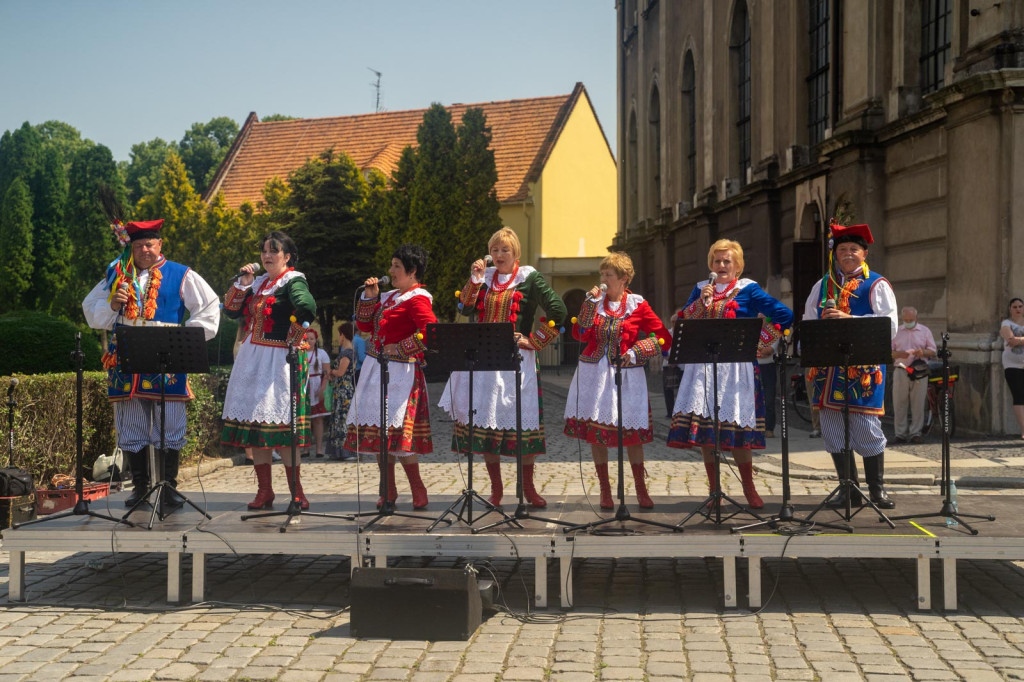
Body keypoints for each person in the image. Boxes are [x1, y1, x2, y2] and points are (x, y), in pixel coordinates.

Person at [83, 219, 220, 510]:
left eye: (149, 244)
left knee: (169, 420)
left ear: (160, 245)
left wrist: (184, 338)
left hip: (167, 357)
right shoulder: (117, 272)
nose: (144, 250)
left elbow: (208, 309)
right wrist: (113, 305)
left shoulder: (181, 274)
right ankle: (141, 487)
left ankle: (168, 486)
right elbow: (92, 313)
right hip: (127, 358)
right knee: (131, 423)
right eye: (138, 246)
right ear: (131, 248)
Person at [440, 226, 568, 508]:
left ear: (515, 253)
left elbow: (558, 309)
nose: (499, 255)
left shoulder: (529, 279)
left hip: (516, 363)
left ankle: (528, 488)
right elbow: (463, 309)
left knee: (522, 427)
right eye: (495, 250)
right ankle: (496, 491)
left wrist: (535, 340)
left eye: (505, 250)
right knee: (486, 429)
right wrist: (473, 281)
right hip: (485, 362)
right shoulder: (483, 280)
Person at [667, 239, 792, 509]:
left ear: (737, 266)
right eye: (717, 261)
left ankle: (749, 488)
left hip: (736, 370)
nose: (721, 265)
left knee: (738, 429)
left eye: (727, 261)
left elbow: (784, 314)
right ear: (710, 264)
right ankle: (714, 490)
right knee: (707, 432)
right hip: (704, 368)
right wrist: (702, 303)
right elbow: (681, 320)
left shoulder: (748, 290)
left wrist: (763, 342)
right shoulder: (701, 289)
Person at [803, 222, 899, 509]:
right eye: (842, 249)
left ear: (864, 253)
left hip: (863, 370)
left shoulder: (877, 284)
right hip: (828, 370)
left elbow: (889, 326)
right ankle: (849, 489)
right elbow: (808, 322)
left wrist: (849, 320)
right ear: (835, 254)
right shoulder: (822, 285)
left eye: (853, 249)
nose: (847, 254)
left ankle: (877, 489)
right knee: (832, 430)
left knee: (867, 427)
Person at [564, 252, 671, 509]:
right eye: (601, 274)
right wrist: (588, 305)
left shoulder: (637, 305)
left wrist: (638, 351)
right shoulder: (593, 303)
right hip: (593, 375)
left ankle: (641, 489)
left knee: (632, 435)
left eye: (608, 275)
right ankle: (605, 490)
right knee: (595, 434)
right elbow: (579, 334)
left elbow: (664, 337)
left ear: (623, 278)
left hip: (627, 374)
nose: (603, 279)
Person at [221, 231, 317, 510]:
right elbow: (230, 310)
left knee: (283, 429)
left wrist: (295, 335)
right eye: (264, 251)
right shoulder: (259, 282)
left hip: (278, 361)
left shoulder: (293, 280)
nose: (266, 256)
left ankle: (297, 493)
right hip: (252, 359)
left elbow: (307, 306)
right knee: (258, 429)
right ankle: (265, 491)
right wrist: (243, 284)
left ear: (287, 257)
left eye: (273, 251)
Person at [344, 245, 436, 509]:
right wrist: (371, 298)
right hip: (376, 370)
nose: (390, 271)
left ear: (412, 270)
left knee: (400, 437)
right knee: (379, 436)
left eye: (396, 266)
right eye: (392, 265)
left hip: (401, 374)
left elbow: (431, 331)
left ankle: (418, 489)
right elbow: (363, 327)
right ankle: (388, 490)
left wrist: (403, 346)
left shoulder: (418, 298)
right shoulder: (389, 297)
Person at [891, 306, 937, 444]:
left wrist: (922, 352)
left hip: (919, 371)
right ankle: (900, 433)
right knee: (899, 403)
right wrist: (900, 354)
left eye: (911, 320)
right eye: (906, 320)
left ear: (916, 318)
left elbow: (933, 351)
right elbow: (889, 352)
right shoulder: (896, 331)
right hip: (901, 368)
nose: (908, 322)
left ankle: (915, 433)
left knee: (918, 403)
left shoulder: (925, 331)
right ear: (902, 318)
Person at [327, 321, 358, 461]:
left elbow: (341, 372)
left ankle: (346, 451)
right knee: (340, 419)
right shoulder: (349, 351)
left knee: (343, 420)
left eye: (339, 334)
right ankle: (339, 451)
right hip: (342, 390)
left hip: (343, 391)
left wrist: (330, 371)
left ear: (343, 335)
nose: (338, 338)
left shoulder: (347, 353)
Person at [303, 329, 331, 458]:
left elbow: (327, 372)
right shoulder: (300, 352)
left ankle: (319, 448)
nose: (309, 341)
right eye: (306, 338)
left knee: (318, 419)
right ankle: (305, 449)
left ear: (316, 340)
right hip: (304, 386)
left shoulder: (321, 353)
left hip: (317, 384)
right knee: (305, 420)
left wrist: (323, 389)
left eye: (312, 338)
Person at [1001, 297, 1024, 439]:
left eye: (1020, 306)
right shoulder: (1006, 323)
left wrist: (1019, 340)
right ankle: (1023, 430)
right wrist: (1017, 341)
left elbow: (1016, 340)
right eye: (1015, 307)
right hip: (1012, 365)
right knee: (1019, 396)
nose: (1018, 309)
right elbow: (1011, 340)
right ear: (1010, 309)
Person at [756, 314, 780, 438]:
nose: (761, 318)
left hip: (768, 366)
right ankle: (755, 427)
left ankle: (769, 428)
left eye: (763, 316)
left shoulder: (774, 331)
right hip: (753, 366)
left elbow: (769, 351)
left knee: (769, 399)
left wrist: (763, 350)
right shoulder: (753, 330)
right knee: (754, 398)